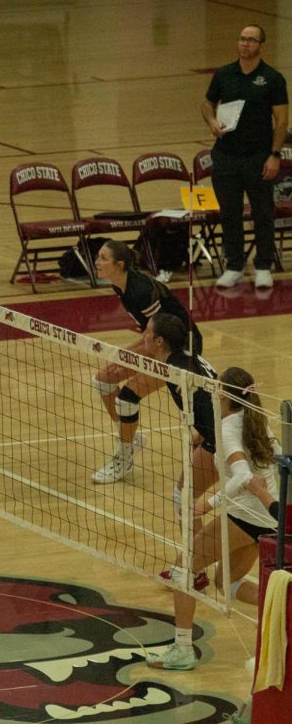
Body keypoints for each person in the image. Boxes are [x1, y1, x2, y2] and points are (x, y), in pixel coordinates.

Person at [146, 366, 280, 672]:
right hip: (265, 521)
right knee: (226, 583)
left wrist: (208, 502)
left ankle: (182, 650)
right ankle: (286, 614)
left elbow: (244, 476)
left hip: (245, 517)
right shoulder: (259, 420)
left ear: (222, 394)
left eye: (217, 386)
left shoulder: (230, 428)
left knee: (184, 568)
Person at [90, 240, 204, 484]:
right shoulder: (120, 285)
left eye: (103, 258)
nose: (97, 262)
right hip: (158, 342)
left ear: (119, 264)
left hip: (179, 350)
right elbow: (149, 333)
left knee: (127, 398)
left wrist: (125, 355)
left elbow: (159, 339)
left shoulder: (140, 291)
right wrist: (124, 354)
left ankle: (124, 457)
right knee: (103, 380)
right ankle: (129, 438)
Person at [201, 24, 288, 290]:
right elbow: (206, 103)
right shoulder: (224, 74)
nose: (245, 44)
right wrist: (212, 121)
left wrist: (274, 155)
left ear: (262, 46)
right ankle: (234, 265)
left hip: (258, 157)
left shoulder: (272, 79)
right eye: (242, 39)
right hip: (226, 156)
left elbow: (282, 119)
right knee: (230, 213)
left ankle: (263, 265)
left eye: (251, 40)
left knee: (262, 212)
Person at [141, 313, 220, 527]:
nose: (143, 335)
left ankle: (194, 556)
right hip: (223, 433)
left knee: (183, 497)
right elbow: (214, 398)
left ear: (159, 341)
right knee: (184, 496)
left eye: (148, 331)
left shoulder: (178, 372)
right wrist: (202, 434)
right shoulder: (189, 357)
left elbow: (208, 400)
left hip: (224, 441)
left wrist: (210, 437)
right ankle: (196, 554)